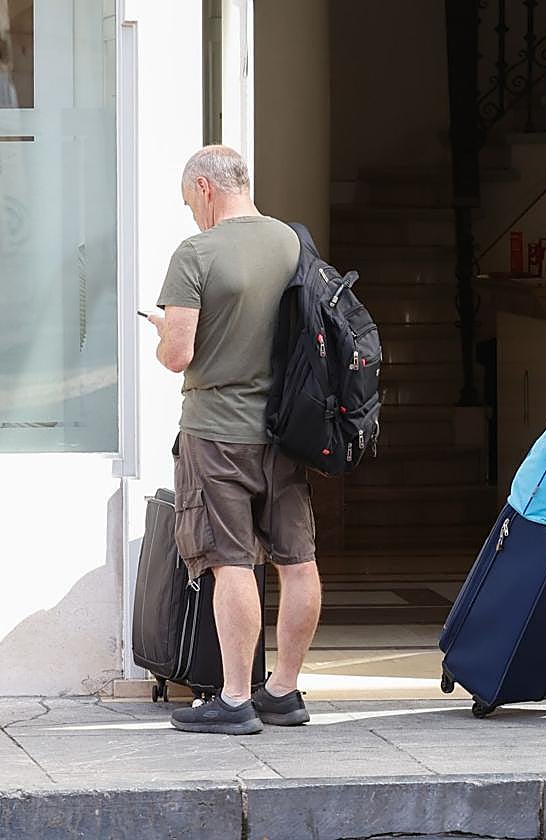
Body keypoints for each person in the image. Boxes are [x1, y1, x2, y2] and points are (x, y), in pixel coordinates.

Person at [149, 145, 321, 735]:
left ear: (204, 188)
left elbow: (178, 354)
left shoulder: (196, 253)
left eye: (189, 202)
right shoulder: (293, 243)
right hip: (287, 432)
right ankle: (285, 692)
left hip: (218, 432)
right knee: (298, 561)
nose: (192, 215)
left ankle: (235, 698)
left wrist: (161, 331)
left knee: (230, 562)